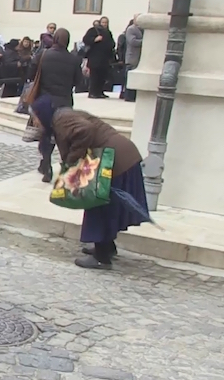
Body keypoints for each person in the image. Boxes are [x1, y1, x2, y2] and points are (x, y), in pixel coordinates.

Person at [31, 96, 146, 270]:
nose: (35, 123)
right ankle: (107, 247)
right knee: (106, 204)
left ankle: (102, 257)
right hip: (120, 156)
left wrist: (73, 160)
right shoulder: (63, 117)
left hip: (115, 160)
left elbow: (85, 130)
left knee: (98, 204)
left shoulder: (62, 120)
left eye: (35, 118)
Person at [29, 28, 80, 183]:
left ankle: (46, 163)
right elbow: (79, 82)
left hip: (45, 100)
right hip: (64, 101)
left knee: (46, 133)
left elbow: (31, 73)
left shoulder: (43, 55)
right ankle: (65, 166)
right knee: (62, 135)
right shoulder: (74, 59)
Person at [83, 16, 115, 98]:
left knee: (102, 76)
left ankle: (100, 92)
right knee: (94, 76)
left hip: (104, 59)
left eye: (106, 22)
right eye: (103, 22)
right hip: (95, 58)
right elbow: (85, 39)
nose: (104, 24)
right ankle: (92, 92)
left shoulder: (108, 32)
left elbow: (112, 43)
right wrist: (94, 39)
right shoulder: (93, 30)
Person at [123, 15, 143, 102]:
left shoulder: (143, 29)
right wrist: (145, 41)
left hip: (139, 58)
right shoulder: (131, 29)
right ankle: (128, 96)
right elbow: (132, 41)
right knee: (130, 78)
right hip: (132, 58)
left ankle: (134, 96)